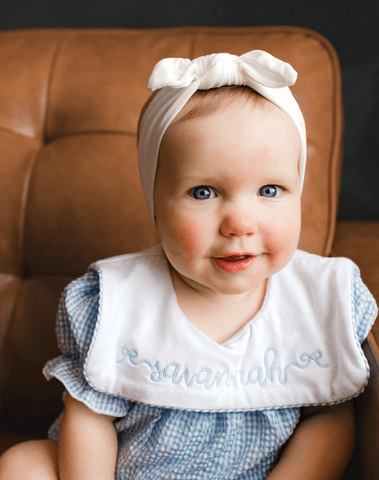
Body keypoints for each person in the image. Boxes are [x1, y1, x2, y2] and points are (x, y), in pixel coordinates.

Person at [0, 50, 377, 480]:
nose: (239, 223)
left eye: (270, 190)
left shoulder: (319, 299)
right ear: (156, 206)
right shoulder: (115, 300)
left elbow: (328, 416)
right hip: (123, 468)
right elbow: (89, 418)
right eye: (203, 193)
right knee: (22, 464)